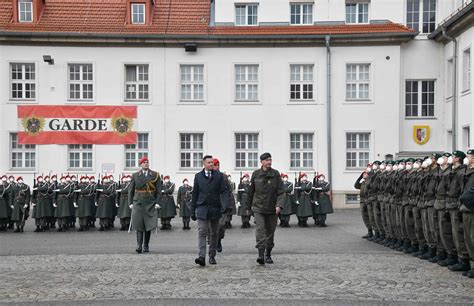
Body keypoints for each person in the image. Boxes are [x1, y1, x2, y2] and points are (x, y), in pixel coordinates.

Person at [190, 155, 229, 266]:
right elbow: (195, 194)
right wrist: (192, 210)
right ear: (204, 164)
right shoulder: (198, 176)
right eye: (209, 162)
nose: (211, 164)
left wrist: (225, 204)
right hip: (202, 207)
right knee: (202, 232)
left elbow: (224, 191)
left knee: (213, 233)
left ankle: (212, 255)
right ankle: (201, 256)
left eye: (212, 162)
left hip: (215, 208)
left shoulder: (219, 176)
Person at [247, 152, 285, 265]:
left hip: (272, 208)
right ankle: (260, 255)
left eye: (270, 160)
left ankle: (268, 253)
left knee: (270, 232)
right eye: (267, 160)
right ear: (261, 162)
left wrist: (279, 205)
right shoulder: (256, 174)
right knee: (260, 230)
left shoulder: (275, 174)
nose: (269, 162)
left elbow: (281, 192)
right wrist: (248, 207)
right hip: (258, 207)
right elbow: (250, 192)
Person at [128, 156, 162, 254]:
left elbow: (159, 191)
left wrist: (158, 203)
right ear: (140, 164)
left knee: (148, 224)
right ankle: (139, 245)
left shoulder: (155, 175)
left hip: (150, 202)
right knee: (139, 224)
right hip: (138, 202)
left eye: (147, 162)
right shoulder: (135, 175)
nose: (146, 164)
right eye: (144, 162)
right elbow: (131, 190)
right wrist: (130, 203)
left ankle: (146, 245)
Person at [355, 170, 371, 238]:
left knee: (371, 217)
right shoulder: (363, 182)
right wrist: (360, 177)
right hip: (362, 201)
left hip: (368, 201)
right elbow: (356, 185)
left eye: (365, 174)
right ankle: (369, 231)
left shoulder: (369, 182)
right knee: (365, 217)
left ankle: (376, 233)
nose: (364, 175)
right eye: (363, 174)